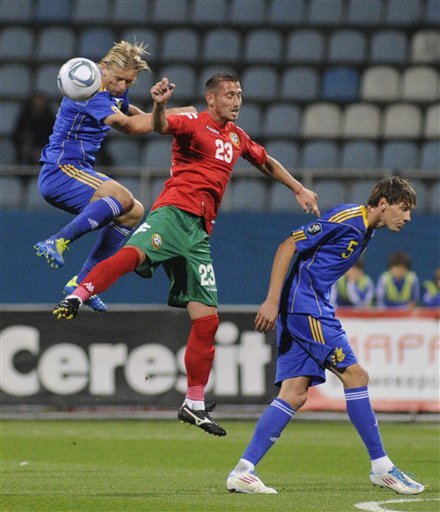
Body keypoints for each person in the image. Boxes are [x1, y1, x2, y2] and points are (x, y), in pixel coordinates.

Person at [51, 72, 320, 437]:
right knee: (133, 255)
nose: (237, 101)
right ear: (211, 99)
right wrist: (159, 105)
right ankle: (79, 293)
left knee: (207, 321)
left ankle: (193, 403)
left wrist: (298, 187)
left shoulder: (237, 137)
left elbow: (266, 161)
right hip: (173, 213)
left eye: (240, 94)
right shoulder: (192, 120)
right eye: (229, 95)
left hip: (199, 236)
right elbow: (160, 126)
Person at [226, 176, 425, 495]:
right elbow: (288, 245)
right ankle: (382, 467)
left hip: (308, 306)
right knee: (356, 376)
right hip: (306, 306)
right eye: (404, 209)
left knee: (294, 393)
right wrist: (272, 300)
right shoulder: (348, 219)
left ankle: (243, 470)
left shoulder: (367, 229)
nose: (408, 217)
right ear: (384, 204)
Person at [34, 41, 194, 313]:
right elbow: (131, 127)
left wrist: (162, 113)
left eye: (129, 82)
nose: (122, 86)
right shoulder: (90, 92)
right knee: (120, 196)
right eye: (119, 79)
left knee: (133, 212)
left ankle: (83, 282)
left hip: (79, 171)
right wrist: (181, 113)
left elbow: (140, 117)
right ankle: (57, 240)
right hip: (61, 170)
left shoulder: (115, 91)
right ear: (103, 68)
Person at [13, 92, 56, 164]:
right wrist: (28, 150)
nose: (39, 105)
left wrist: (43, 150)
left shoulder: (49, 119)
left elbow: (53, 136)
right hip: (26, 152)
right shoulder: (25, 118)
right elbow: (18, 135)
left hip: (46, 149)